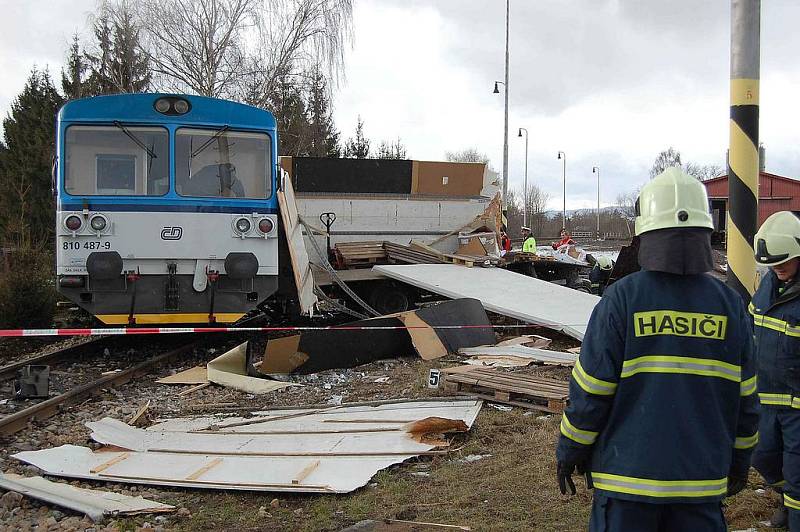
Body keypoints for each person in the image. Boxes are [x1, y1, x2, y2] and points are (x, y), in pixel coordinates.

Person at [556, 167, 758, 531]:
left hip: (626, 488)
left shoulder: (622, 300)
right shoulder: (731, 306)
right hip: (701, 489)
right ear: (705, 233)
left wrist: (570, 450)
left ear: (645, 232)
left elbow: (591, 391)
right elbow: (746, 401)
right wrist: (740, 461)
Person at [750, 211, 800, 529]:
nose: (777, 268)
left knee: (797, 478)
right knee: (763, 458)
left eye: (783, 262)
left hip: (797, 406)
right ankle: (787, 501)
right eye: (772, 264)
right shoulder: (767, 286)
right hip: (765, 400)